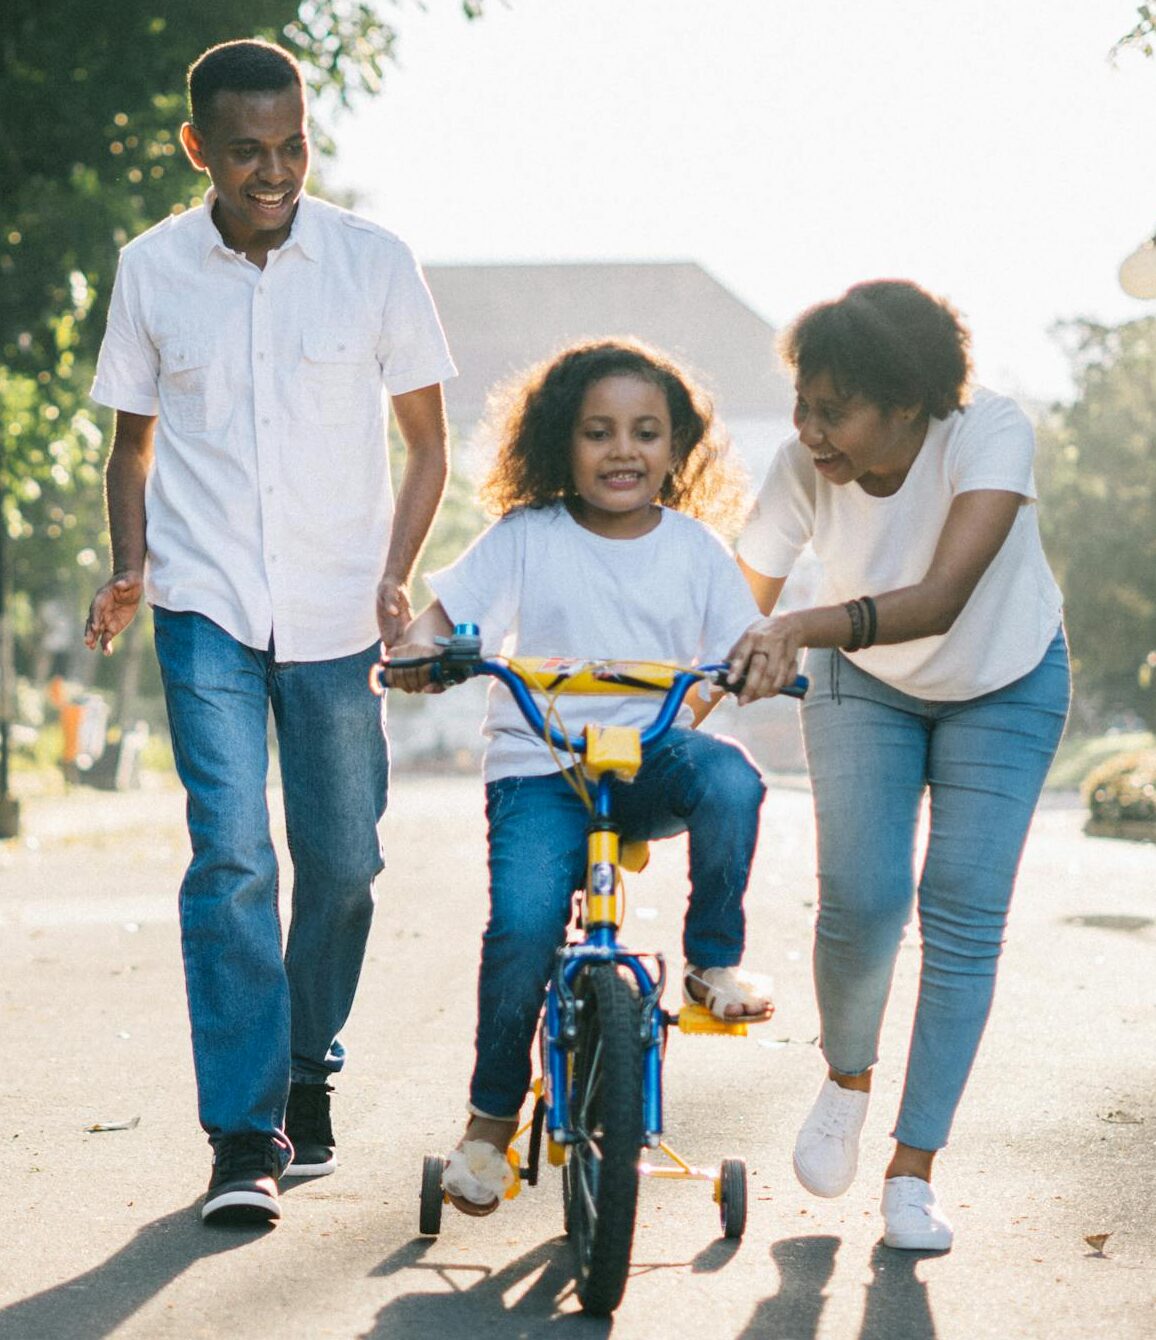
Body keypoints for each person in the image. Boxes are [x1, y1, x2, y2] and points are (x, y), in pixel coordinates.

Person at [83, 38, 456, 1226]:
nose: (275, 170)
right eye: (247, 151)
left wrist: (397, 574)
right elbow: (131, 444)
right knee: (234, 856)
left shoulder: (373, 261)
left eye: (292, 145)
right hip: (204, 607)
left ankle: (307, 1067)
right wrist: (132, 564)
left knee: (344, 863)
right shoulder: (151, 269)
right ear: (199, 148)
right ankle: (244, 1134)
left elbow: (427, 443)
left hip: (341, 610)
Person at [389, 339, 774, 1215]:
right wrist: (420, 650)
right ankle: (489, 1126)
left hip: (646, 760)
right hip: (540, 769)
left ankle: (713, 962)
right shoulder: (526, 537)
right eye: (598, 433)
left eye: (646, 432)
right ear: (563, 443)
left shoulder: (697, 551)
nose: (623, 451)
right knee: (524, 928)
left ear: (677, 449)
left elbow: (740, 646)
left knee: (734, 782)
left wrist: (755, 666)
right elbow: (440, 619)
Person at [729, 280, 1070, 1252]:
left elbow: (942, 597)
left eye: (832, 409)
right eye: (802, 402)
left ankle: (912, 1170)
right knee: (863, 897)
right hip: (863, 683)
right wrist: (671, 697)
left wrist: (794, 624)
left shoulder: (987, 432)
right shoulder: (802, 466)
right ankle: (845, 1075)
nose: (807, 429)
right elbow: (728, 605)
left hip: (1004, 676)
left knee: (961, 911)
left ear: (907, 405)